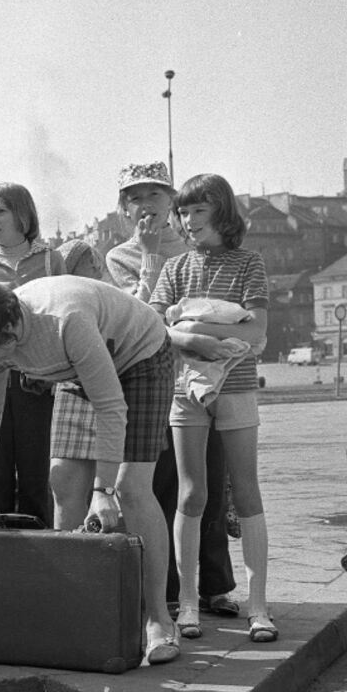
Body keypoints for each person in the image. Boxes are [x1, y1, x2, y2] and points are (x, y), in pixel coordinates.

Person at [0, 276, 181, 665]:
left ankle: (159, 619)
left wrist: (104, 490)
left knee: (131, 488)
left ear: (11, 330)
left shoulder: (66, 321)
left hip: (141, 357)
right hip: (77, 371)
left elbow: (112, 406)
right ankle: (78, 610)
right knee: (62, 477)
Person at [103, 162, 238, 620]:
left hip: (202, 377)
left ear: (172, 202)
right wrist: (148, 255)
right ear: (124, 209)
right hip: (150, 383)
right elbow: (137, 318)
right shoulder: (120, 256)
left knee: (209, 482)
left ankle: (215, 585)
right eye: (135, 198)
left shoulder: (197, 245)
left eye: (155, 196)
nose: (146, 206)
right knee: (161, 486)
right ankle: (172, 590)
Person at [149, 173, 275, 644]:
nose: (187, 219)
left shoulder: (249, 264)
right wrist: (207, 329)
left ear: (221, 212)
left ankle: (258, 606)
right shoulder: (175, 268)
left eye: (198, 210)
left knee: (246, 493)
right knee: (191, 495)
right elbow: (156, 327)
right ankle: (186, 604)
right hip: (186, 390)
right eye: (182, 212)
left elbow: (258, 330)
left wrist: (194, 324)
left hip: (238, 386)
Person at [0, 183, 67, 526]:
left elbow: (65, 320)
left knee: (37, 473)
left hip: (38, 382)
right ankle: (0, 547)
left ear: (22, 214)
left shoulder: (50, 259)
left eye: (0, 211)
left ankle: (39, 548)